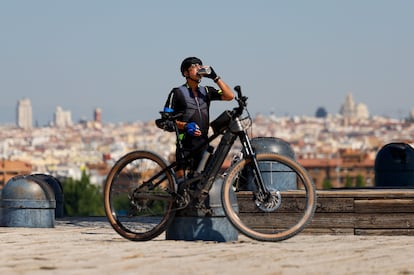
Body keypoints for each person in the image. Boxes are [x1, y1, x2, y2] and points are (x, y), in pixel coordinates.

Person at [160, 57, 234, 179]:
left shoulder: (206, 91)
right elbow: (165, 121)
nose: (199, 69)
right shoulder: (177, 92)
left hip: (203, 144)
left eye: (200, 66)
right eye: (194, 66)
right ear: (186, 73)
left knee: (203, 183)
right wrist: (185, 125)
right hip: (185, 144)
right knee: (181, 184)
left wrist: (215, 77)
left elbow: (229, 96)